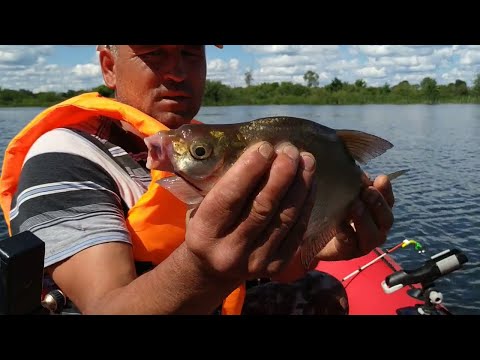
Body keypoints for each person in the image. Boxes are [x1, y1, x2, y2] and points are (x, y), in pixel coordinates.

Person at [0, 45, 395, 315]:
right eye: (155, 53)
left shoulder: (211, 146)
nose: (176, 71)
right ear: (109, 65)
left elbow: (274, 267)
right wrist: (206, 270)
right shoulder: (64, 156)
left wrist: (324, 244)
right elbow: (106, 306)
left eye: (191, 52)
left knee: (324, 293)